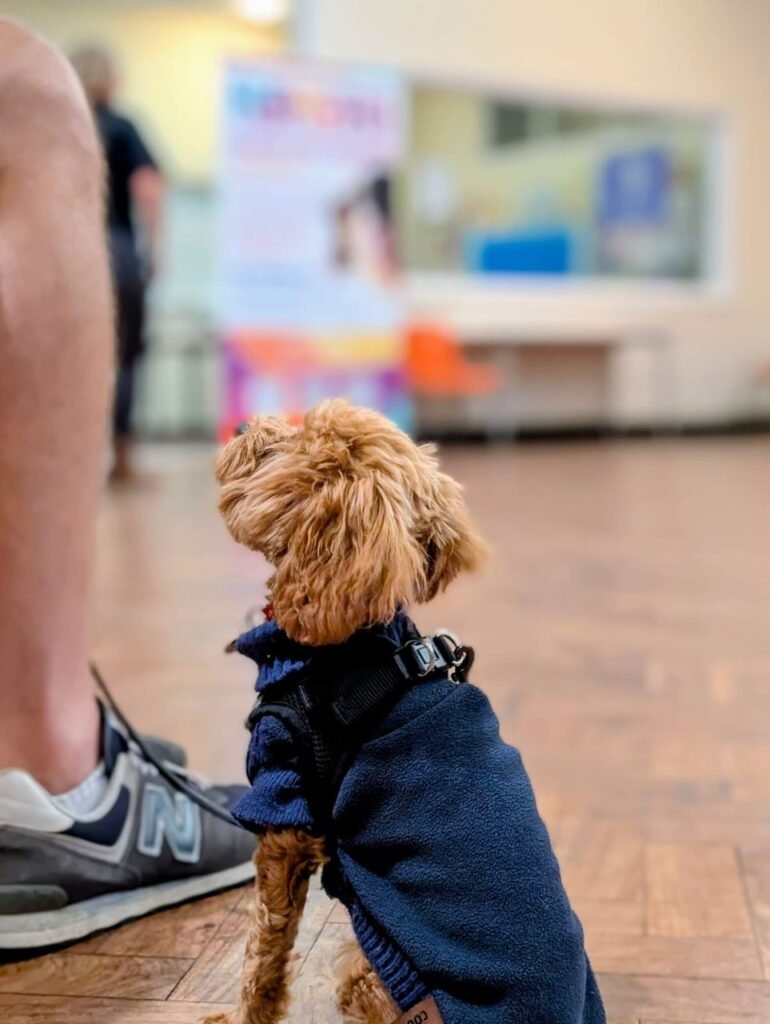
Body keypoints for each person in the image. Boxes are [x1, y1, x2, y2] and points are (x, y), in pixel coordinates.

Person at [0, 21, 254, 953]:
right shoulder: (126, 125)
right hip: (97, 251)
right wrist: (148, 254)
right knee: (21, 93)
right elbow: (146, 191)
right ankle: (51, 780)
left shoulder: (134, 125)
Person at [70, 44, 163, 483]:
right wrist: (156, 248)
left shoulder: (61, 128)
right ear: (111, 80)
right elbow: (148, 188)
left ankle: (71, 464)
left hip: (67, 252)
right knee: (124, 357)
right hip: (117, 249)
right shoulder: (123, 127)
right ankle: (121, 461)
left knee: (67, 359)